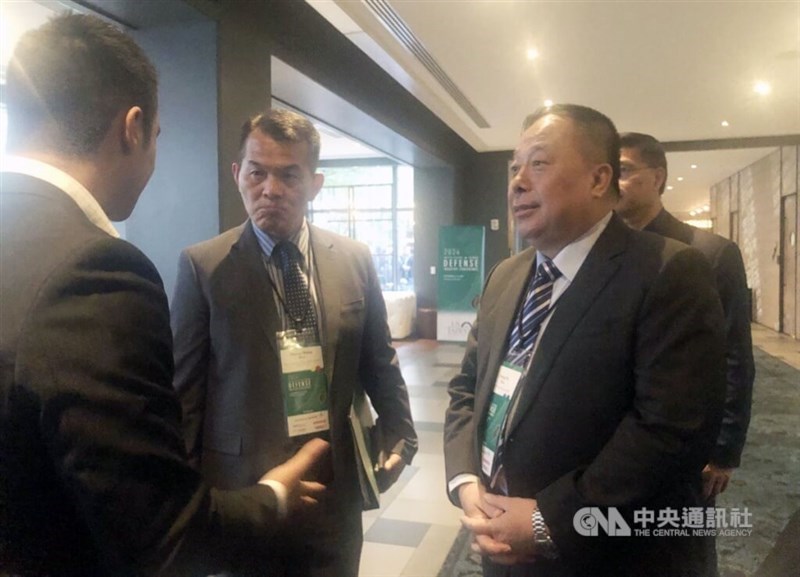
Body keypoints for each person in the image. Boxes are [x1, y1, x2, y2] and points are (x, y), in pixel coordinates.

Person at [0, 14, 329, 577]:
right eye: (158, 136)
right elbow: (160, 531)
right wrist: (272, 494)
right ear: (133, 127)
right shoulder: (98, 270)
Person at [444, 104, 727, 577]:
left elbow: (669, 429)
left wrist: (545, 519)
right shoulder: (505, 276)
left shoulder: (667, 271)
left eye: (538, 163)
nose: (517, 182)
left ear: (599, 180)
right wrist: (468, 484)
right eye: (515, 168)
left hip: (607, 554)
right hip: (500, 538)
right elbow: (467, 389)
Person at [170, 109, 418, 577]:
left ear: (315, 183)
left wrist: (402, 431)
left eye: (289, 175)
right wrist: (192, 506)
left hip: (333, 491)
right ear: (237, 174)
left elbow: (379, 362)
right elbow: (186, 398)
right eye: (257, 172)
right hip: (244, 494)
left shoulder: (354, 260)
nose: (271, 190)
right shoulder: (202, 267)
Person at [616, 132, 755, 500]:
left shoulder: (711, 253)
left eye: (625, 170)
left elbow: (735, 357)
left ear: (658, 177)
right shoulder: (602, 255)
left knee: (675, 543)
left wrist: (724, 450)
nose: (613, 181)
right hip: (612, 440)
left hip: (684, 440)